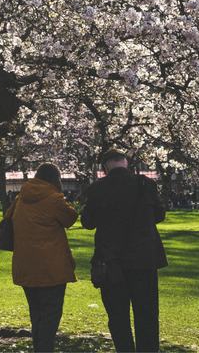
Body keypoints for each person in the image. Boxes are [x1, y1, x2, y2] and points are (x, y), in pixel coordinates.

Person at [81, 148, 168, 353]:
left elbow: (88, 222)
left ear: (104, 168)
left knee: (118, 316)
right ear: (126, 163)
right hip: (144, 259)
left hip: (112, 261)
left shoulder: (98, 188)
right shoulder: (146, 184)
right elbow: (160, 215)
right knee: (146, 315)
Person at [4, 162, 79, 352]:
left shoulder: (21, 197)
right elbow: (71, 218)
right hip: (51, 266)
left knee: (36, 313)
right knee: (51, 314)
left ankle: (40, 348)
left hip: (26, 265)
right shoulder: (54, 199)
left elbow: (7, 219)